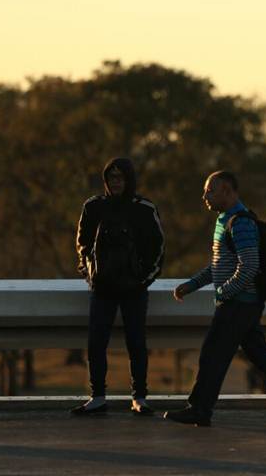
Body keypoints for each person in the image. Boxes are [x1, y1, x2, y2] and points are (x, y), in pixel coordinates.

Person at [163, 170, 266, 427]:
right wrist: (192, 285)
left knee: (212, 354)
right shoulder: (225, 220)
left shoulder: (241, 223)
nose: (205, 197)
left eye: (210, 191)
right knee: (261, 356)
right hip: (242, 303)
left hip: (239, 304)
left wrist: (224, 292)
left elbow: (249, 267)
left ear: (227, 191)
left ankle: (199, 409)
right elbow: (219, 266)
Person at [72, 157, 165, 415]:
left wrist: (143, 279)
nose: (115, 182)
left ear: (129, 179)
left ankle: (139, 397)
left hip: (134, 290)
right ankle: (98, 396)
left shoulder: (144, 208)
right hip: (102, 289)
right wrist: (90, 275)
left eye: (120, 177)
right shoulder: (93, 207)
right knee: (96, 343)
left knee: (136, 343)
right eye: (111, 178)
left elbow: (158, 247)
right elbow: (82, 245)